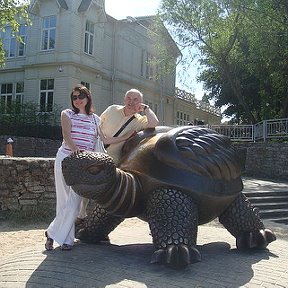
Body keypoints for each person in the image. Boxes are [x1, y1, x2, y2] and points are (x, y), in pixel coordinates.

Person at [45, 85, 134, 251]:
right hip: (66, 159)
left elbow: (106, 139)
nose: (78, 100)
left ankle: (51, 233)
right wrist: (75, 150)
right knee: (64, 201)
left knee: (74, 203)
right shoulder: (67, 114)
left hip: (84, 164)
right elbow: (66, 135)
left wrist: (127, 136)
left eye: (81, 96)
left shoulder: (95, 119)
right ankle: (66, 240)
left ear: (88, 98)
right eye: (74, 97)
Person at [76, 88, 159, 224]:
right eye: (129, 98)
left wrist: (147, 109)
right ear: (124, 99)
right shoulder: (112, 109)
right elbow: (96, 125)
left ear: (141, 102)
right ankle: (81, 214)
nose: (131, 102)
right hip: (94, 150)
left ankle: (94, 221)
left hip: (111, 159)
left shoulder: (140, 121)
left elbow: (154, 123)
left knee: (104, 192)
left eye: (135, 99)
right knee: (85, 183)